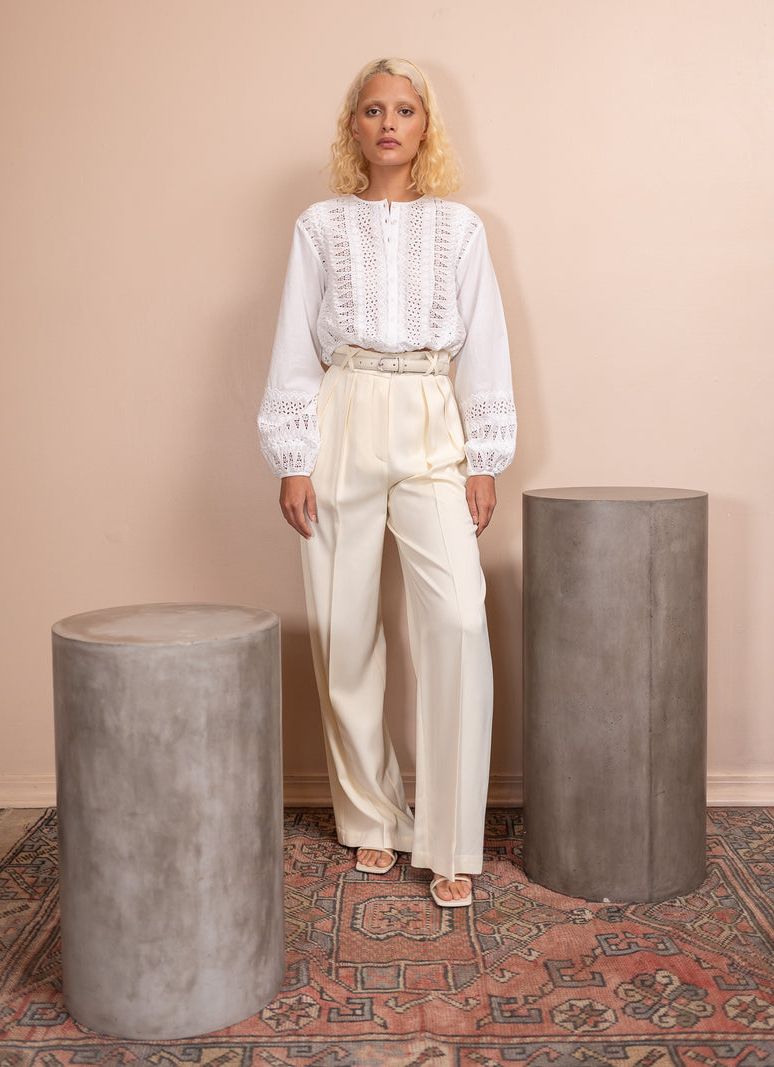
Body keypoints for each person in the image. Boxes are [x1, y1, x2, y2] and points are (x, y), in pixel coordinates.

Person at [257, 57, 516, 907]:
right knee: (344, 628)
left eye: (405, 109)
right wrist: (293, 455)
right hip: (343, 414)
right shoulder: (321, 225)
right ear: (353, 127)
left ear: (426, 125)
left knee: (458, 618)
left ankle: (450, 837)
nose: (389, 124)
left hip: (431, 415)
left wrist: (485, 456)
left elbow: (486, 346)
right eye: (373, 110)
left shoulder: (461, 228)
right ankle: (371, 813)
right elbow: (295, 343)